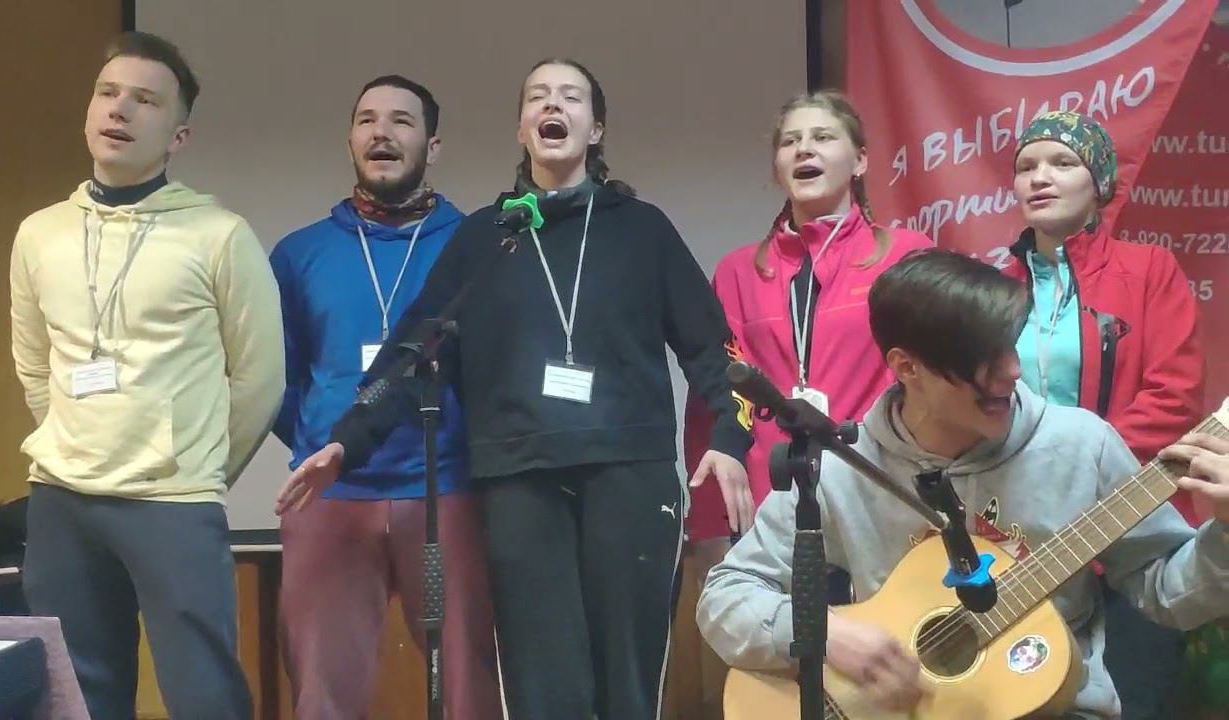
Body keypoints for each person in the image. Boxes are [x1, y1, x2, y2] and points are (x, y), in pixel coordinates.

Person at [276, 58, 751, 720]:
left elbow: (716, 351)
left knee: (628, 686)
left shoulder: (643, 228)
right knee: (542, 690)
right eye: (538, 97)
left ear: (595, 128)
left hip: (630, 477)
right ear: (522, 127)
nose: (553, 106)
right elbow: (413, 353)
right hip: (519, 483)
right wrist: (345, 443)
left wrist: (730, 437)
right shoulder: (484, 238)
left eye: (571, 97)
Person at [697, 249, 1229, 719]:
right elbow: (725, 596)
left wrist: (1226, 532)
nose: (1013, 372)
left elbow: (1169, 593)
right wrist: (825, 633)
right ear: (907, 367)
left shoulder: (1081, 447)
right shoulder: (844, 469)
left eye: (1011, 348)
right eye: (984, 360)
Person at [10, 32, 282, 719]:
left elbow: (259, 379)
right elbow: (34, 362)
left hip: (172, 503)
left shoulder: (219, 235)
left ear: (178, 135)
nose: (120, 110)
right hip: (62, 498)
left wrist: (198, 465)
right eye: (108, 93)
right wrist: (74, 438)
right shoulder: (39, 233)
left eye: (145, 100)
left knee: (203, 694)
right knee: (78, 696)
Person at [269, 75, 502, 719]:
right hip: (330, 495)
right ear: (349, 140)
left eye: (402, 121)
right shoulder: (300, 253)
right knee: (322, 693)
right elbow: (276, 378)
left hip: (448, 490)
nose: (382, 132)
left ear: (433, 145)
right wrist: (319, 434)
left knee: (470, 688)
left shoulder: (475, 245)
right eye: (367, 120)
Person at [684, 90, 933, 583]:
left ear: (860, 161)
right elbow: (714, 400)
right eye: (790, 142)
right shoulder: (738, 273)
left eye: (822, 137)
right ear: (777, 168)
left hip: (879, 494)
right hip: (770, 505)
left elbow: (935, 382)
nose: (804, 149)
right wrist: (709, 524)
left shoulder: (907, 256)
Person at [1005, 110, 1206, 719]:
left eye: (1062, 163)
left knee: (1138, 699)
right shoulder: (993, 285)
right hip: (1022, 537)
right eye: (1026, 166)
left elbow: (1174, 396)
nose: (1040, 177)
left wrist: (1080, 470)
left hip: (1129, 519)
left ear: (1099, 183)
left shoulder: (1148, 269)